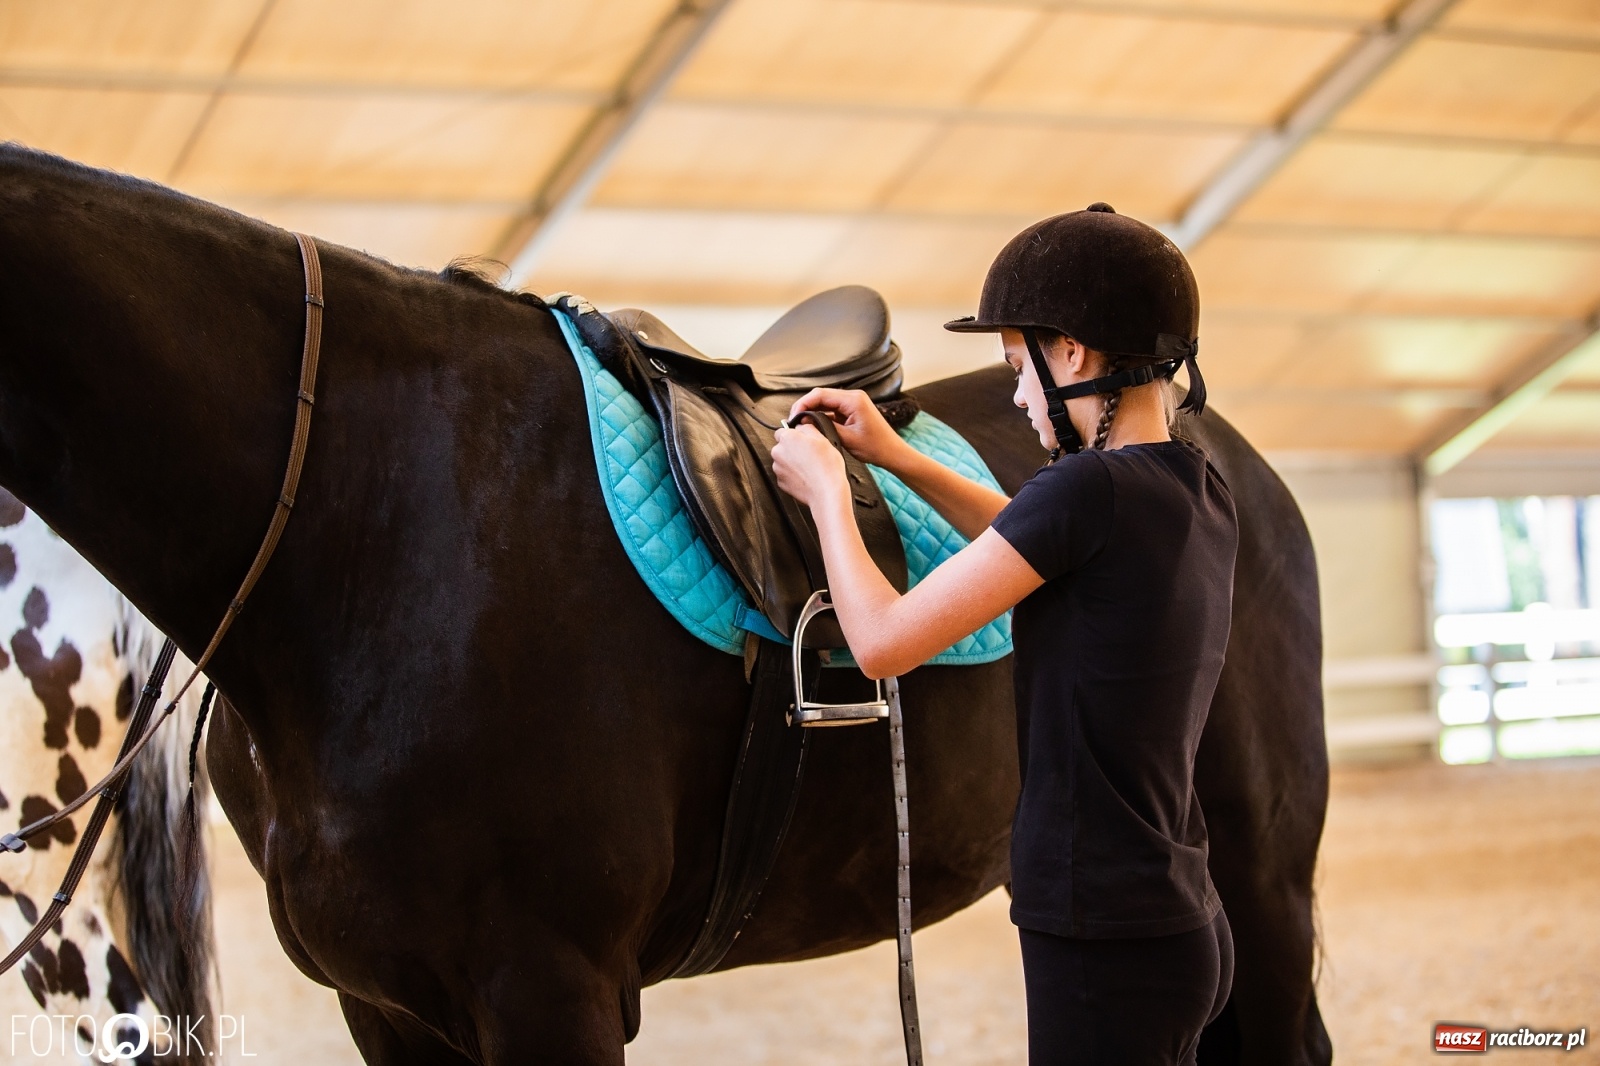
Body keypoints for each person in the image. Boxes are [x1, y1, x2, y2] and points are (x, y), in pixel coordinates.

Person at [769, 203, 1238, 1065]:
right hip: (1179, 920)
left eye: (1021, 367)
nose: (1020, 393)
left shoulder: (1087, 492)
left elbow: (881, 642)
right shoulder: (1193, 487)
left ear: (1074, 354)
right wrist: (899, 456)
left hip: (1097, 932)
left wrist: (829, 490)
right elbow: (1034, 536)